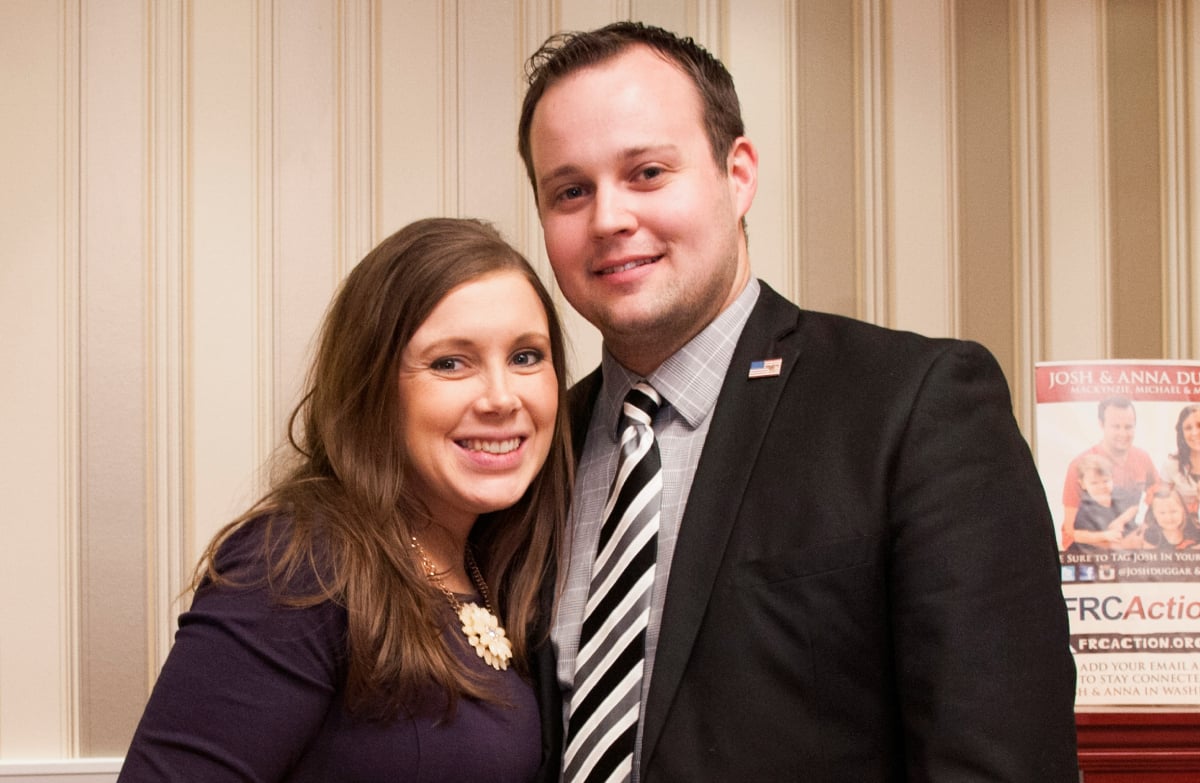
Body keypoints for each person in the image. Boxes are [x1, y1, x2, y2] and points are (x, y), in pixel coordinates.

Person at [517, 21, 1078, 782]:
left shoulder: (914, 405)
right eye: (571, 191)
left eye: (647, 172)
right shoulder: (535, 448)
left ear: (737, 172)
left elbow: (998, 760)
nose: (609, 218)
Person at [118, 218, 571, 782]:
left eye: (526, 357)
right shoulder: (298, 566)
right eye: (450, 363)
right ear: (374, 386)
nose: (502, 398)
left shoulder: (492, 565)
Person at [1060, 396, 1159, 549]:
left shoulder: (1142, 458)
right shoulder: (1079, 465)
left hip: (1128, 541)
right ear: (1102, 425)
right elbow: (1069, 531)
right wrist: (1118, 545)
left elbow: (1159, 497)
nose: (1123, 433)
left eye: (1128, 427)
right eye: (1116, 426)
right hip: (1090, 550)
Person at [1064, 454, 1139, 555]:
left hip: (1121, 542)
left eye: (1105, 481)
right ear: (1083, 484)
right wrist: (1105, 535)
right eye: (1094, 483)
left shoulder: (1118, 493)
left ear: (1112, 479)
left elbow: (1134, 507)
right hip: (1093, 552)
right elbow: (1078, 535)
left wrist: (1120, 521)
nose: (1101, 486)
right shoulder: (1085, 508)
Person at [1127, 483, 1200, 551]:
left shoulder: (1195, 535)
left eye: (1174, 511)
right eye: (1162, 513)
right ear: (1154, 515)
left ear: (1183, 510)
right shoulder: (1151, 537)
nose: (1169, 518)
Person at [1160, 403, 1200, 514]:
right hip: (1182, 526)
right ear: (1181, 433)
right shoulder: (1171, 466)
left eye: (1199, 425)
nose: (1195, 433)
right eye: (1188, 428)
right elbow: (1161, 503)